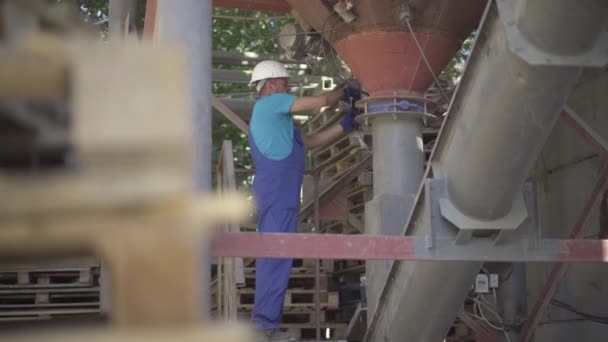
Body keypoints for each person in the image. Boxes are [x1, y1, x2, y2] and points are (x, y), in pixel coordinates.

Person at [248, 60, 360, 341]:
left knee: (277, 255)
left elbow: (309, 141)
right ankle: (264, 329)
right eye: (285, 82)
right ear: (271, 85)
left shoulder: (277, 121)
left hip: (278, 192)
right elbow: (321, 101)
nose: (289, 87)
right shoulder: (269, 104)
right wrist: (344, 90)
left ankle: (265, 327)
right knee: (276, 256)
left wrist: (345, 127)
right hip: (277, 191)